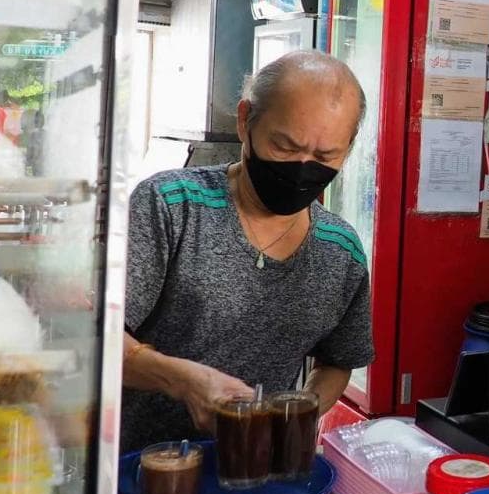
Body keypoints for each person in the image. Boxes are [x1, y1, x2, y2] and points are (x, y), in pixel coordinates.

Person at [121, 50, 372, 454]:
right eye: (285, 146)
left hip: (255, 471)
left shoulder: (340, 251)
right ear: (245, 120)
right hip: (139, 468)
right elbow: (98, 337)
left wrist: (295, 413)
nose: (302, 167)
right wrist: (183, 381)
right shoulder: (170, 206)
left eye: (325, 156)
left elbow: (338, 361)